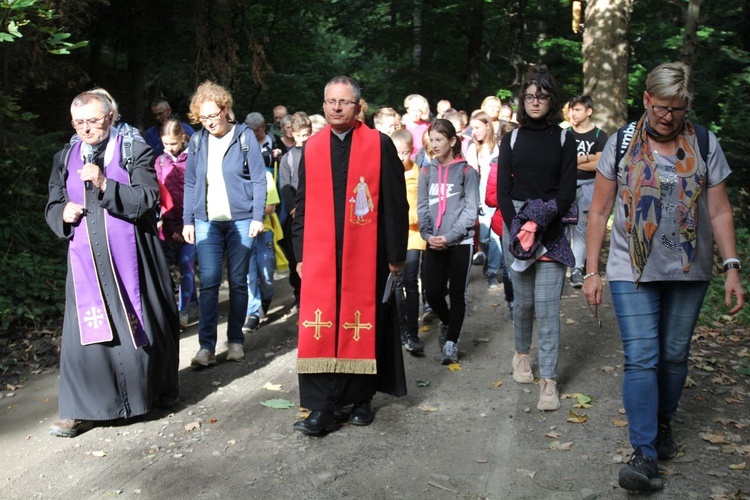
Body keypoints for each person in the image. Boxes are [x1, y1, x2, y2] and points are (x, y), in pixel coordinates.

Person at [583, 61, 745, 492]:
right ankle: (644, 453)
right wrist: (592, 270)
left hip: (689, 269)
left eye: (677, 109)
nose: (669, 117)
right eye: (662, 108)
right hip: (629, 268)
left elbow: (720, 210)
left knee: (674, 354)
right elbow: (599, 211)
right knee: (641, 356)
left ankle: (663, 423)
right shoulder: (620, 144)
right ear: (647, 101)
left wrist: (732, 268)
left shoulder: (705, 143)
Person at [45, 90, 179, 437]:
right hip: (86, 260)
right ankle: (80, 408)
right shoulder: (65, 157)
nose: (86, 129)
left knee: (147, 319)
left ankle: (152, 391)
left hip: (132, 253)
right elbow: (53, 202)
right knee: (84, 334)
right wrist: (62, 212)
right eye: (79, 122)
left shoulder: (134, 148)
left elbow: (148, 198)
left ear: (110, 117)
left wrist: (105, 183)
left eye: (93, 121)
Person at [292, 75, 408, 436]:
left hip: (368, 252)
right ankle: (321, 406)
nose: (337, 107)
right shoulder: (311, 147)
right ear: (323, 105)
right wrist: (298, 254)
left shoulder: (379, 143)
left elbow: (394, 203)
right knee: (320, 324)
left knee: (362, 321)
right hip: (320, 254)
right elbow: (302, 204)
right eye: (330, 101)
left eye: (344, 102)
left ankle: (360, 399)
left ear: (358, 106)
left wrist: (395, 254)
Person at [497, 66, 577, 412]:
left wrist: (540, 223)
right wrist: (519, 227)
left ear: (551, 100)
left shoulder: (564, 138)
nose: (535, 102)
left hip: (552, 227)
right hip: (516, 228)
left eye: (541, 96)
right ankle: (521, 354)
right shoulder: (511, 138)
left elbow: (567, 190)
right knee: (524, 303)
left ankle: (549, 381)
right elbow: (502, 190)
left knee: (547, 309)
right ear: (522, 100)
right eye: (529, 96)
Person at [183, 81, 267, 366]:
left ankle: (235, 341)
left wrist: (257, 217)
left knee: (238, 282)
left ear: (225, 109)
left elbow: (258, 179)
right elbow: (191, 182)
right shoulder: (196, 142)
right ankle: (206, 347)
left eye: (213, 115)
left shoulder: (244, 137)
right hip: (207, 221)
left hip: (241, 220)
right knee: (207, 284)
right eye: (203, 117)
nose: (208, 122)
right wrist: (188, 220)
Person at [418, 119, 479, 365]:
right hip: (433, 241)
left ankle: (452, 342)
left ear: (452, 141)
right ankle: (447, 321)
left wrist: (450, 236)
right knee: (432, 292)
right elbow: (423, 206)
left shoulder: (467, 172)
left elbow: (470, 210)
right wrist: (427, 234)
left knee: (457, 294)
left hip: (460, 244)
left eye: (439, 140)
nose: (434, 145)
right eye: (431, 140)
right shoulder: (425, 171)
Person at [155, 118, 199, 329]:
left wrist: (190, 224)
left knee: (186, 264)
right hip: (169, 228)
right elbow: (160, 198)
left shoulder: (195, 158)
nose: (169, 148)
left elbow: (199, 193)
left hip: (194, 224)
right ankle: (192, 302)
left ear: (182, 138)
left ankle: (183, 312)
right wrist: (171, 228)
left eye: (173, 143)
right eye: (165, 144)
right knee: (169, 269)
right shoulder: (159, 162)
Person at [566, 95, 608, 288]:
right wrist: (587, 157)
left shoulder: (599, 135)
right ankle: (562, 263)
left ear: (589, 112)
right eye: (572, 109)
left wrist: (574, 160)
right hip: (565, 186)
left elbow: (600, 164)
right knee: (563, 226)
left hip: (589, 186)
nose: (573, 113)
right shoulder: (565, 134)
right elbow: (560, 162)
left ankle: (576, 268)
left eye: (577, 109)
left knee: (582, 227)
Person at [391, 128, 426, 354]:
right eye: (397, 153)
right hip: (394, 237)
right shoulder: (387, 172)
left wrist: (410, 219)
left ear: (411, 151)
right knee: (397, 283)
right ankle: (400, 328)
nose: (402, 158)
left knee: (411, 282)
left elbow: (423, 205)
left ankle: (412, 332)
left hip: (414, 235)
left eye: (405, 153)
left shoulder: (418, 173)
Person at [278, 112, 312, 311]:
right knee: (295, 257)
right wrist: (292, 208)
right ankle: (299, 294)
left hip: (315, 212)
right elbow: (285, 186)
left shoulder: (317, 153)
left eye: (306, 135)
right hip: (296, 214)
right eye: (299, 135)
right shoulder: (288, 158)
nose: (302, 139)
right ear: (292, 134)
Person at [243, 168, 282, 332]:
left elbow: (270, 208)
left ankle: (265, 300)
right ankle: (253, 313)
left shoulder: (265, 175)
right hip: (243, 233)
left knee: (266, 275)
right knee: (249, 276)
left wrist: (245, 209)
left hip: (263, 233)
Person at [467, 110, 501, 288]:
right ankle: (490, 258)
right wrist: (475, 198)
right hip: (481, 192)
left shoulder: (500, 146)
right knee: (482, 237)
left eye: (477, 128)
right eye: (472, 128)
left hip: (497, 191)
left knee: (496, 235)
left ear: (488, 126)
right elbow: (472, 175)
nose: (474, 132)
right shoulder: (473, 149)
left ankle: (493, 271)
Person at [403, 94, 431, 159]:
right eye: (413, 110)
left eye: (418, 110)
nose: (416, 114)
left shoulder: (428, 127)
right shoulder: (401, 127)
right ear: (408, 109)